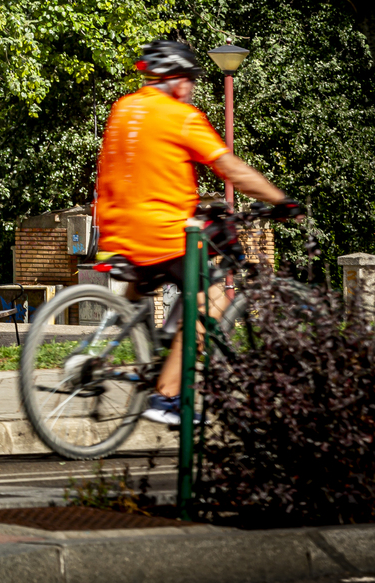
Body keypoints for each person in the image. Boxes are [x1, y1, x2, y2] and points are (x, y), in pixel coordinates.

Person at [94, 38, 299, 425]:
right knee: (213, 298)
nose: (191, 86)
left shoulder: (123, 108)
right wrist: (280, 200)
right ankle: (166, 396)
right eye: (189, 77)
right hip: (162, 233)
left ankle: (144, 358)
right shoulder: (182, 117)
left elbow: (143, 169)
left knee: (152, 294)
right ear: (174, 77)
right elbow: (231, 169)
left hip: (117, 230)